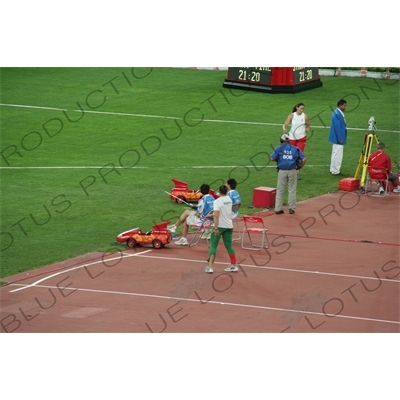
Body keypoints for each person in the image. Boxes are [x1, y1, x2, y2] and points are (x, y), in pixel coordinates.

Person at [205, 184, 238, 274]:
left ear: (219, 192)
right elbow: (224, 211)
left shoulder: (217, 201)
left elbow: (217, 215)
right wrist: (212, 214)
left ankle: (210, 267)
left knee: (213, 246)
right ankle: (233, 265)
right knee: (229, 246)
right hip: (229, 226)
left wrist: (215, 228)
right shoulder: (229, 200)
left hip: (220, 226)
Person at [270, 134, 306, 214]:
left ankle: (278, 209)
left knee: (280, 190)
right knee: (292, 189)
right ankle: (291, 208)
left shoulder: (278, 149)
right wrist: (299, 168)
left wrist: (278, 159)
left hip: (282, 171)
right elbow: (304, 159)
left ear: (281, 141)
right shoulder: (295, 148)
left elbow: (272, 158)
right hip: (292, 170)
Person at [329, 99, 347, 175]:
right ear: (340, 105)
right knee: (338, 155)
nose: (345, 107)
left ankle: (333, 169)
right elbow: (337, 127)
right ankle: (336, 170)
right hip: (337, 138)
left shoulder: (337, 113)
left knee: (335, 154)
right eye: (344, 105)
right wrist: (340, 138)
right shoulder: (337, 114)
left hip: (336, 137)